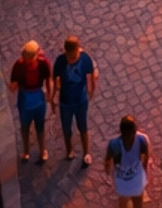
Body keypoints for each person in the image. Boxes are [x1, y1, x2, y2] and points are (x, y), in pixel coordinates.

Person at [52, 36, 97, 166]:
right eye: (69, 56)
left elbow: (91, 75)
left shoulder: (84, 59)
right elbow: (55, 78)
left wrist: (91, 90)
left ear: (78, 49)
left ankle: (86, 153)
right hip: (65, 101)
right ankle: (69, 150)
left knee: (83, 126)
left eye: (73, 55)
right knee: (66, 128)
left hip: (80, 100)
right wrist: (53, 98)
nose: (71, 59)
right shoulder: (60, 61)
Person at [10, 39, 52, 164]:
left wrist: (49, 93)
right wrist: (14, 86)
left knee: (40, 126)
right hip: (25, 98)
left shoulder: (43, 63)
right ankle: (26, 151)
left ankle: (43, 150)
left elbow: (48, 78)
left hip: (38, 97)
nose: (27, 61)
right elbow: (13, 85)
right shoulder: (19, 65)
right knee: (24, 126)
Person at [104, 116, 150, 205]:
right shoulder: (141, 140)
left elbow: (107, 160)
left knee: (124, 203)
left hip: (122, 182)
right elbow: (146, 155)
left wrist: (108, 172)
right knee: (138, 203)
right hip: (137, 180)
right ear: (134, 130)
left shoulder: (114, 145)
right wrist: (144, 169)